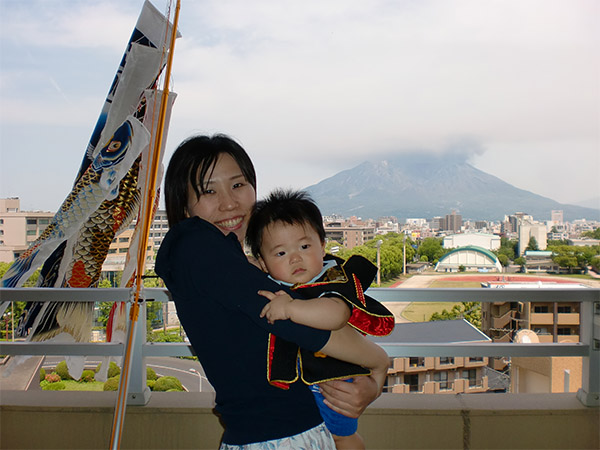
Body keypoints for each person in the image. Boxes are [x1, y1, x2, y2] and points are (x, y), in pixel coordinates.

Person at [155, 134, 389, 449]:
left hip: (297, 430)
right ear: (183, 204)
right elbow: (295, 323)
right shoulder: (197, 246)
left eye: (238, 185)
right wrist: (379, 362)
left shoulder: (238, 260)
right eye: (208, 190)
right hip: (275, 438)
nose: (229, 203)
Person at [245, 189, 395, 450]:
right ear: (263, 262)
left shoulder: (332, 278)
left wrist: (291, 309)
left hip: (334, 383)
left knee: (342, 437)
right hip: (295, 388)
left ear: (323, 245)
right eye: (280, 253)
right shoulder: (267, 282)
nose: (295, 258)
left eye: (305, 246)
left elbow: (336, 314)